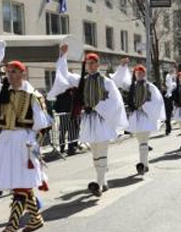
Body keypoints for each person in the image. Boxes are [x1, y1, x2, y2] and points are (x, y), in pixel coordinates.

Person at [0, 41, 51, 232]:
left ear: (23, 74)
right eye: (8, 72)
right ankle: (35, 219)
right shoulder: (3, 91)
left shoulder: (33, 96)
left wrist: (34, 149)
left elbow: (42, 125)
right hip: (7, 140)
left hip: (25, 142)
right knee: (21, 184)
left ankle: (12, 225)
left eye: (15, 72)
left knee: (21, 186)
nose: (11, 75)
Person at [50, 46, 128, 196]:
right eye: (88, 63)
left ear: (98, 65)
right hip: (89, 120)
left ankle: (98, 184)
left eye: (93, 63)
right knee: (95, 153)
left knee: (102, 150)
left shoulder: (106, 81)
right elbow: (64, 75)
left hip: (102, 120)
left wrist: (99, 106)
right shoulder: (82, 81)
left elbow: (115, 101)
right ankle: (102, 180)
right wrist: (62, 57)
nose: (90, 66)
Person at [112, 62, 166, 175]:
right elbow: (118, 81)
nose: (140, 75)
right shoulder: (132, 86)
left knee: (143, 142)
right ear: (135, 74)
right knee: (141, 142)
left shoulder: (150, 87)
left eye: (142, 73)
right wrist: (122, 67)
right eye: (138, 73)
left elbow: (157, 101)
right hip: (136, 117)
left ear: (144, 74)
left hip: (146, 116)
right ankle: (145, 164)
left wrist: (145, 106)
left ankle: (143, 164)